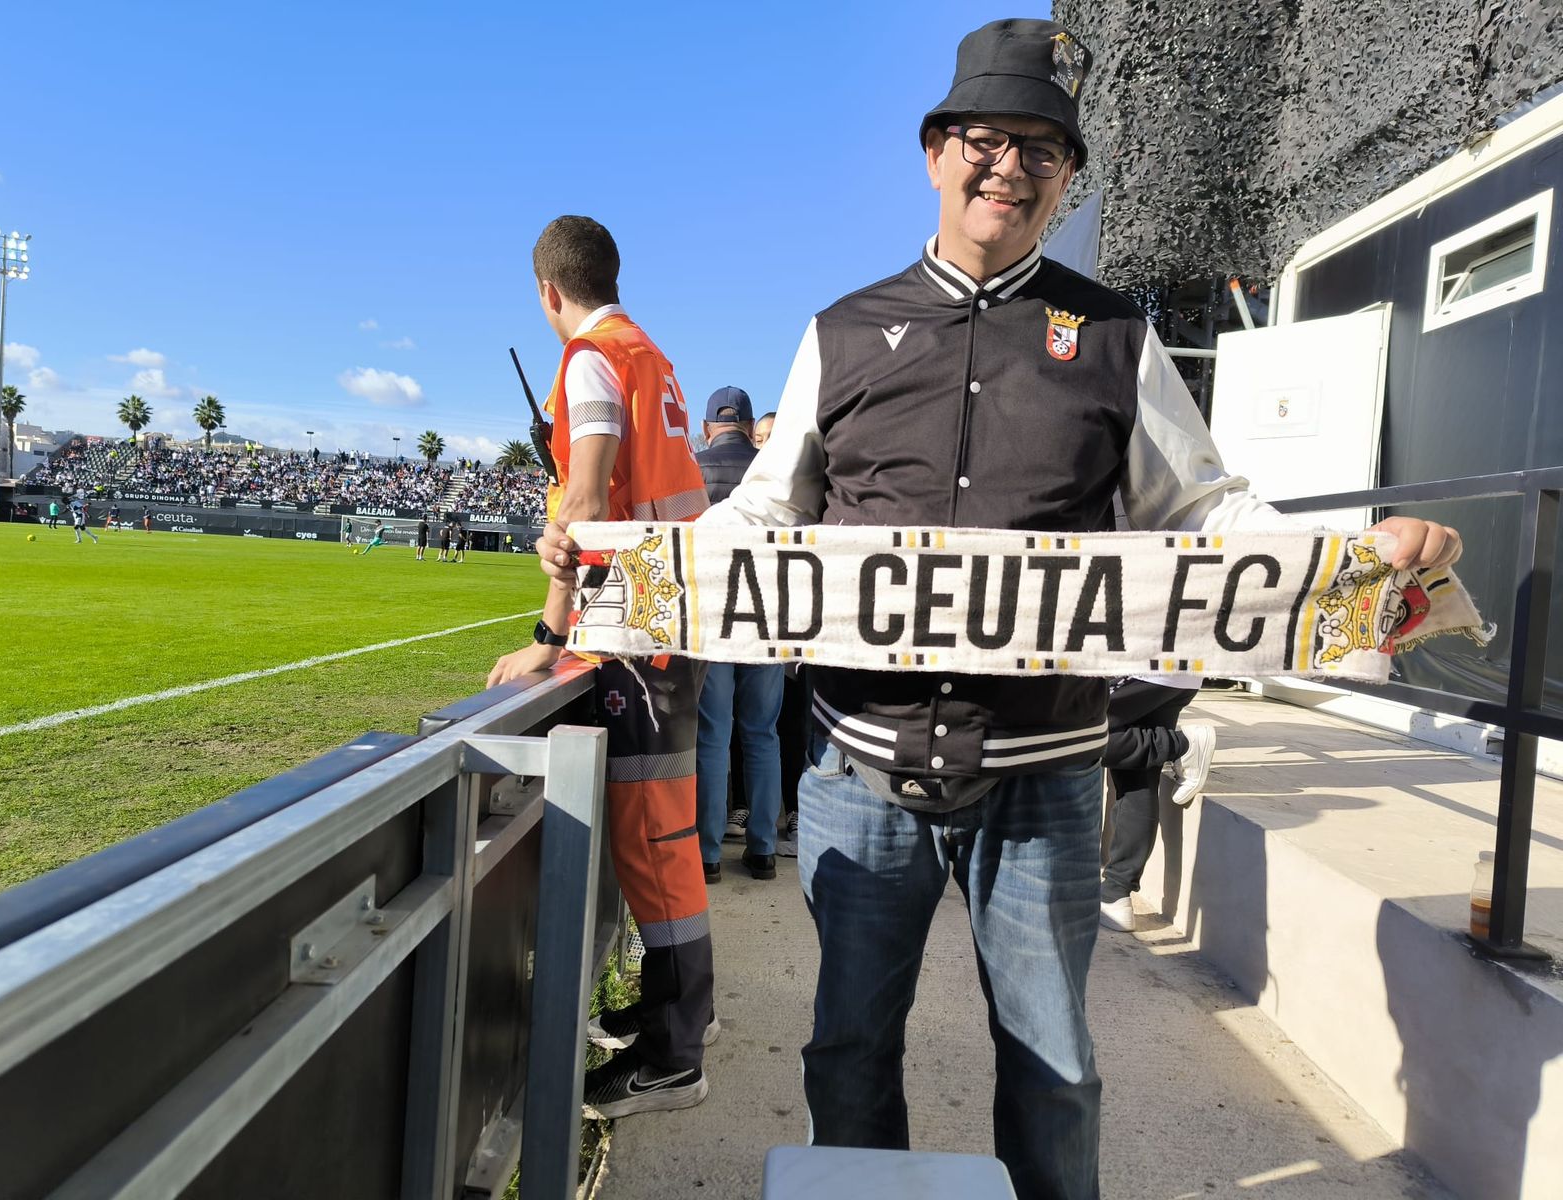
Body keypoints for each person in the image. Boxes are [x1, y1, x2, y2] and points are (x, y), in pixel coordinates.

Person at [531, 20, 1462, 1197]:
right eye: (984, 139)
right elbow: (763, 514)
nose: (1008, 167)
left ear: (1066, 179)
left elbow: (1204, 509)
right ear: (934, 152)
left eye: (1041, 149)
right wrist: (615, 566)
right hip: (860, 773)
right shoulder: (841, 331)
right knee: (846, 1053)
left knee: (1055, 1067)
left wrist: (1353, 558)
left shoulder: (1115, 337)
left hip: (1048, 778)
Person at [488, 215, 716, 1120]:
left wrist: (548, 635)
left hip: (639, 628)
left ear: (549, 290)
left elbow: (583, 500)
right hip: (670, 613)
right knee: (662, 837)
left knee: (653, 845)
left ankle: (674, 1056)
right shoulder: (648, 353)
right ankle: (675, 1013)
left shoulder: (590, 357)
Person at [692, 387, 784, 883]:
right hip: (766, 617)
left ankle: (707, 854)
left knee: (714, 736)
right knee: (762, 734)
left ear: (708, 428)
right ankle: (763, 848)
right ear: (750, 428)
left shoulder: (693, 468)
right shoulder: (773, 471)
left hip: (712, 618)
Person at [1097, 676, 1216, 933]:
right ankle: (1116, 893)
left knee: (1070, 735)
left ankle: (1182, 745)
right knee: (1136, 776)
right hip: (1172, 673)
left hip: (1146, 669)